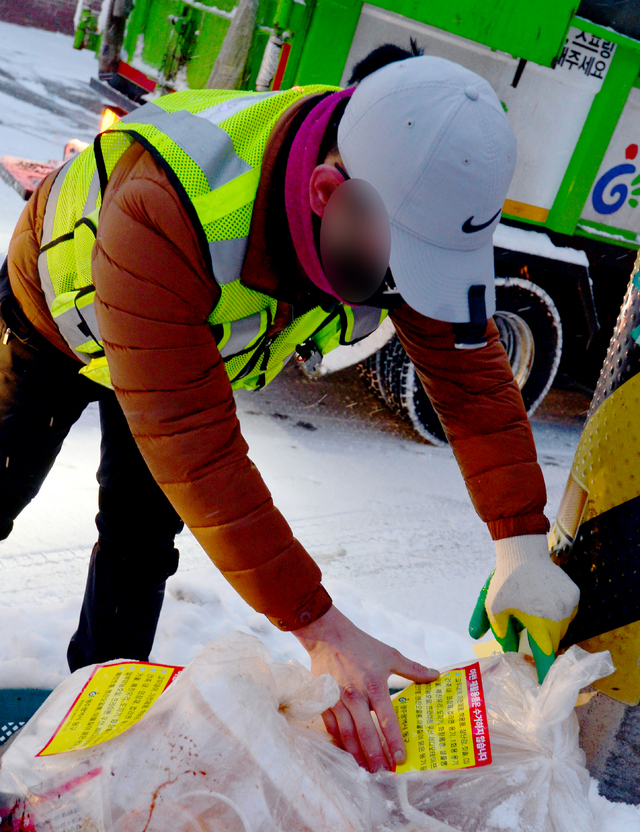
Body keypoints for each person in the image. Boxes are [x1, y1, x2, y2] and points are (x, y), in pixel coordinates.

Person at [0, 46, 579, 772]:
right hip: (58, 313)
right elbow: (193, 443)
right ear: (324, 191)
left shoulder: (395, 197)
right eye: (394, 272)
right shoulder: (170, 207)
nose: (400, 292)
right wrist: (320, 626)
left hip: (187, 345)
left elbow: (469, 376)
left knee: (140, 539)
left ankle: (93, 722)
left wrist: (519, 541)